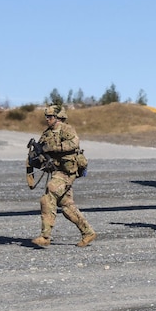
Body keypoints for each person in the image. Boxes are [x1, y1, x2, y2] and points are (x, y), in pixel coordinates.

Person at [31, 104, 97, 248]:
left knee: (49, 196)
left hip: (68, 171)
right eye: (46, 117)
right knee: (67, 207)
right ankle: (88, 232)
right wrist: (37, 157)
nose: (47, 119)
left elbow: (74, 143)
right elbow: (42, 151)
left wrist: (52, 148)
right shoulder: (47, 133)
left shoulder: (67, 129)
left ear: (58, 118)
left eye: (50, 117)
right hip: (56, 171)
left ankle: (45, 236)